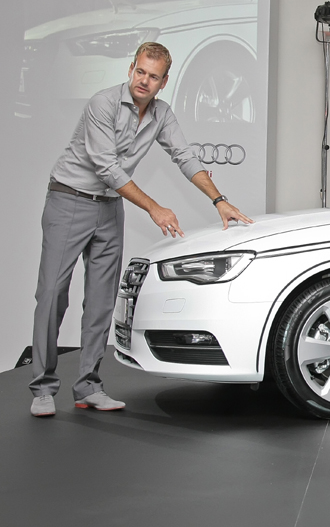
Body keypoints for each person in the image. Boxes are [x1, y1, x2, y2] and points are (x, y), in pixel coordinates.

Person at [29, 41, 253, 417]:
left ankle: (88, 386)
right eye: (140, 72)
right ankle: (42, 387)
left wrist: (219, 200)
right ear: (131, 69)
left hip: (108, 208)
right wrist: (154, 208)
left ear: (164, 82)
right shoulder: (101, 104)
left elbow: (185, 156)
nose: (144, 81)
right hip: (69, 199)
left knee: (101, 301)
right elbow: (107, 168)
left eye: (153, 77)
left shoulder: (161, 113)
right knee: (52, 294)